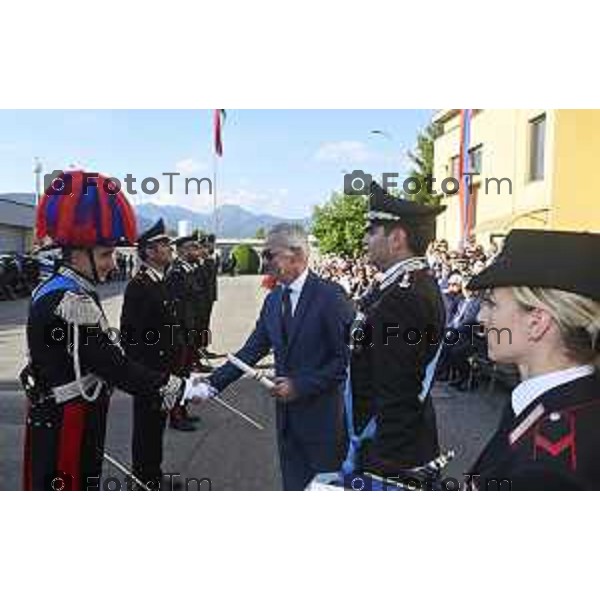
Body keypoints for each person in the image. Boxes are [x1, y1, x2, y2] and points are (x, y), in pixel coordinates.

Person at [21, 170, 211, 491]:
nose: (112, 263)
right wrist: (182, 389)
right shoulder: (69, 298)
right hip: (67, 420)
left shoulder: (60, 287)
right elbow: (113, 365)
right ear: (79, 253)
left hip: (64, 413)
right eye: (106, 254)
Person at [203, 223, 354, 490]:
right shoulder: (273, 300)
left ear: (295, 254)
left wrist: (301, 385)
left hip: (324, 426)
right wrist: (210, 385)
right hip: (287, 425)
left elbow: (345, 361)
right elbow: (251, 350)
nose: (264, 261)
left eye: (269, 254)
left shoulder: (330, 297)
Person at [466, 229, 600, 490]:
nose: (481, 317)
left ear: (536, 322)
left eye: (492, 304)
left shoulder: (547, 467)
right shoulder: (557, 401)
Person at [344, 181, 447, 480]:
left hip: (392, 451)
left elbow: (398, 392)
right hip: (387, 440)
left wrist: (384, 467)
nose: (364, 238)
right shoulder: (400, 286)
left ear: (397, 238)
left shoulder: (405, 296)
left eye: (372, 230)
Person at [120, 218, 178, 488]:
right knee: (146, 428)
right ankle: (144, 480)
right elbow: (131, 336)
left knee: (155, 427)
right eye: (163, 244)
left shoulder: (160, 281)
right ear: (149, 252)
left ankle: (153, 476)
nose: (169, 248)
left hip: (162, 369)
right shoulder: (139, 286)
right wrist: (143, 376)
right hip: (148, 371)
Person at [165, 232, 210, 431]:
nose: (196, 251)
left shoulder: (188, 269)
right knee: (177, 374)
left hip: (191, 329)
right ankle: (175, 415)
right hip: (181, 332)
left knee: (186, 374)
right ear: (182, 250)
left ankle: (183, 410)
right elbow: (176, 308)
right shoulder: (176, 272)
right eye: (192, 247)